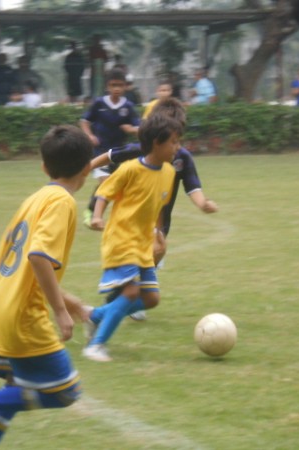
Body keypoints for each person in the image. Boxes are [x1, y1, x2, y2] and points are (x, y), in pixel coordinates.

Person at [0, 124, 93, 449]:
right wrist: (60, 310)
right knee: (64, 391)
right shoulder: (62, 202)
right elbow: (38, 257)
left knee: (14, 389)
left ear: (44, 166)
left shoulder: (36, 198)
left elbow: (19, 262)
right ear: (87, 168)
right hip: (22, 314)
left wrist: (69, 301)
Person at [91, 97, 218, 321]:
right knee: (137, 269)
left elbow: (192, 186)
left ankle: (118, 301)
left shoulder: (182, 157)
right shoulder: (140, 150)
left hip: (159, 222)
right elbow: (110, 155)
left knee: (153, 259)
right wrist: (85, 168)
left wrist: (203, 203)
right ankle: (117, 303)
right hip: (132, 226)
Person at [82, 113, 183, 362]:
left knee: (151, 299)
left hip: (143, 243)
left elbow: (159, 206)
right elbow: (104, 192)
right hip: (121, 240)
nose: (177, 147)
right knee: (130, 291)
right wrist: (97, 216)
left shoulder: (169, 173)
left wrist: (158, 234)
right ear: (156, 143)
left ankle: (95, 316)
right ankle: (95, 345)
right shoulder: (129, 169)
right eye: (173, 142)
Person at [79, 68, 140, 225]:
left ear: (125, 86)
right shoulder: (99, 103)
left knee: (117, 186)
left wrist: (131, 129)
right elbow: (84, 121)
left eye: (120, 85)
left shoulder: (128, 106)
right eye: (113, 85)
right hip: (100, 152)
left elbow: (139, 129)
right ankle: (92, 215)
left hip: (120, 153)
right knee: (106, 183)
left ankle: (99, 212)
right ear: (107, 86)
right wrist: (89, 135)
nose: (117, 89)